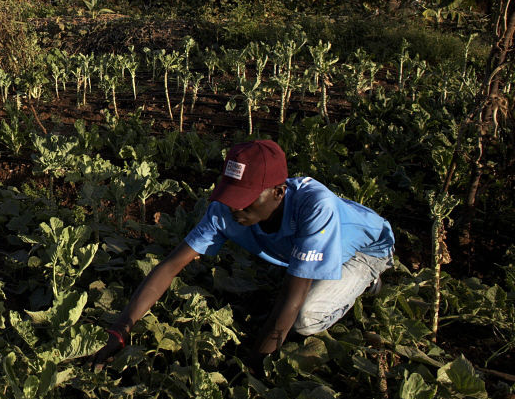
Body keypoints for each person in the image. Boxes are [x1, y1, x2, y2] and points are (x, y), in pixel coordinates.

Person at [91, 140, 394, 367]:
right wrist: (120, 329)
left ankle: (368, 281)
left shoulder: (316, 206)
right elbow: (172, 265)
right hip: (300, 251)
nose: (236, 207)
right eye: (233, 195)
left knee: (305, 317)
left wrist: (253, 369)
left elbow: (291, 301)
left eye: (247, 199)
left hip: (366, 249)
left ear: (279, 192)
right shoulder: (227, 209)